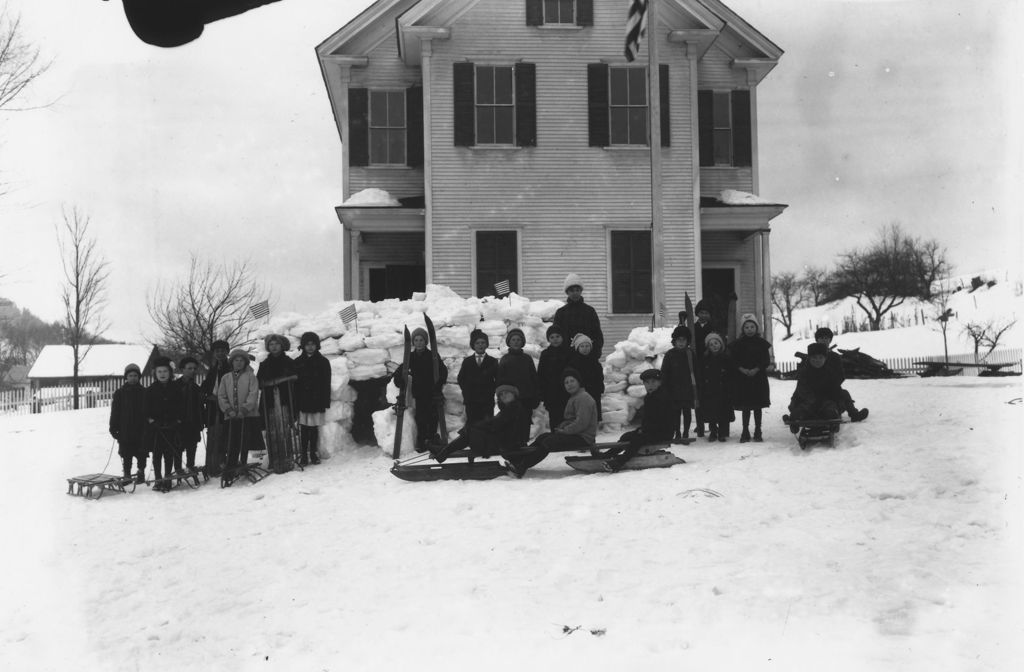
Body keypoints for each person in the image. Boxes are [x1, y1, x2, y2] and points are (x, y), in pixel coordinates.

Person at [510, 368, 597, 478]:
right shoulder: (575, 397)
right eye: (566, 382)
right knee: (543, 437)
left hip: (583, 437)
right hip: (576, 434)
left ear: (579, 382)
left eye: (572, 381)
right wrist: (562, 427)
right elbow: (571, 420)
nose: (569, 384)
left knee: (549, 442)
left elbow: (581, 423)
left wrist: (564, 431)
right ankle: (520, 460)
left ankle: (521, 466)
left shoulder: (584, 398)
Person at [603, 369, 677, 472]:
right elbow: (648, 418)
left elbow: (662, 419)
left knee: (637, 440)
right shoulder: (650, 397)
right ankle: (609, 454)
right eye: (647, 382)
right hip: (652, 430)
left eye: (653, 382)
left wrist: (645, 430)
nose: (650, 385)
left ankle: (619, 462)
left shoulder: (663, 397)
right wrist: (643, 429)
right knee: (627, 436)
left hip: (663, 432)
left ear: (660, 382)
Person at [432, 384, 525, 463]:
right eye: (501, 394)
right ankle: (443, 451)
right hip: (502, 441)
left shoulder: (514, 409)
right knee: (470, 431)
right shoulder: (509, 409)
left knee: (470, 431)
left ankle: (443, 450)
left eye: (507, 393)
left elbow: (496, 425)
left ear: (514, 395)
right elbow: (496, 424)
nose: (504, 396)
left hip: (506, 444)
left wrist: (476, 426)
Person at [393, 327, 447, 452]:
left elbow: (443, 370)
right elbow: (401, 370)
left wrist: (439, 384)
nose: (418, 343)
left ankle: (433, 440)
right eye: (416, 340)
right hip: (419, 393)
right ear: (413, 342)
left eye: (421, 340)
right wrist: (399, 380)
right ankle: (422, 441)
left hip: (432, 392)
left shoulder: (432, 355)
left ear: (426, 341)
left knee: (433, 417)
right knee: (421, 417)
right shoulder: (410, 356)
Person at [803, 327, 869, 422]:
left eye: (826, 338)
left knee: (844, 394)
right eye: (821, 338)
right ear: (817, 340)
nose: (824, 340)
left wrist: (832, 385)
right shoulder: (811, 356)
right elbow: (805, 375)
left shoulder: (835, 357)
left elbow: (841, 375)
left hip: (831, 387)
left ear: (830, 340)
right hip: (813, 388)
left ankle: (854, 414)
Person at [728, 314, 774, 442]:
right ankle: (745, 431)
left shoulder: (762, 344)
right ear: (743, 329)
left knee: (757, 406)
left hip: (758, 379)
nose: (749, 329)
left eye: (752, 326)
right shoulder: (737, 344)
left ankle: (758, 430)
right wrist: (742, 369)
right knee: (746, 407)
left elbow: (765, 360)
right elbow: (733, 361)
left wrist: (756, 369)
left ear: (756, 328)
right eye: (746, 327)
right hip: (743, 380)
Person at [218, 349, 261, 481]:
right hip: (231, 416)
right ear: (232, 362)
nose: (239, 363)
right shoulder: (226, 378)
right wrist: (228, 410)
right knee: (232, 441)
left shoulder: (250, 377)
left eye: (241, 360)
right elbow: (221, 395)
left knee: (245, 440)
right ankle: (230, 468)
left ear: (245, 362)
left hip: (247, 415)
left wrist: (244, 409)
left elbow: (253, 394)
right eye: (236, 360)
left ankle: (243, 464)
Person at [258, 334, 298, 471]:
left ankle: (287, 458)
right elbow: (260, 382)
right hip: (269, 401)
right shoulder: (264, 364)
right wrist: (278, 381)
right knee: (271, 431)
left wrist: (277, 381)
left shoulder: (288, 362)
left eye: (276, 344)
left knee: (285, 429)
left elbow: (295, 376)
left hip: (285, 400)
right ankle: (274, 459)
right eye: (271, 344)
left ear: (282, 346)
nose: (274, 347)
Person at [784, 342, 843, 432]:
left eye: (820, 358)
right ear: (809, 358)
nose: (817, 360)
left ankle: (833, 424)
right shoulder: (804, 373)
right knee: (797, 413)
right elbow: (802, 391)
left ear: (825, 358)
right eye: (814, 358)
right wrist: (813, 402)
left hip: (826, 402)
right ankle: (794, 424)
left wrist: (828, 402)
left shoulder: (830, 373)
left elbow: (835, 391)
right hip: (808, 402)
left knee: (831, 411)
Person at [293, 331, 332, 465]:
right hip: (303, 400)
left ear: (317, 346)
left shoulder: (323, 362)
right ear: (303, 346)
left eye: (313, 344)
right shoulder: (297, 362)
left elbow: (326, 383)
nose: (310, 347)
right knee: (304, 429)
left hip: (317, 400)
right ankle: (303, 454)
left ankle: (313, 453)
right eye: (307, 344)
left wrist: (325, 401)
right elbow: (294, 385)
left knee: (314, 428)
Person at [145, 356, 183, 491]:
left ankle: (167, 479)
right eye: (159, 371)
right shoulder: (150, 390)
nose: (162, 374)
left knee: (169, 454)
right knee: (157, 454)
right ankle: (158, 479)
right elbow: (146, 410)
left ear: (170, 373)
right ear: (155, 373)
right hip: (156, 428)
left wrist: (177, 421)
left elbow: (181, 407)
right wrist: (152, 421)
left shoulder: (176, 389)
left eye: (165, 371)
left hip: (172, 427)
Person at [496, 327, 539, 445]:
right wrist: (501, 399)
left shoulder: (527, 358)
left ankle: (523, 454)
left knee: (524, 426)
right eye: (513, 339)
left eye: (518, 340)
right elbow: (500, 382)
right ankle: (513, 455)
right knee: (512, 428)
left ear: (522, 342)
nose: (516, 342)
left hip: (526, 399)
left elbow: (534, 379)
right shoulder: (505, 359)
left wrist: (536, 396)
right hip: (510, 401)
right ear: (509, 342)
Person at [109, 363, 148, 483]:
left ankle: (141, 472)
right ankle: (127, 474)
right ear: (126, 377)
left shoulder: (144, 392)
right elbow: (115, 412)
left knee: (142, 452)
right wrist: (113, 427)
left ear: (139, 377)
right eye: (130, 375)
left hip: (141, 429)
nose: (133, 378)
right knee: (126, 453)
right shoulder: (120, 393)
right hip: (125, 429)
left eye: (135, 375)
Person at [200, 339, 232, 476]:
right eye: (217, 351)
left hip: (227, 406)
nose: (220, 353)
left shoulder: (230, 367)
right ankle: (213, 464)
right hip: (213, 407)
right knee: (214, 433)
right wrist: (204, 394)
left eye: (222, 351)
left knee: (227, 433)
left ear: (227, 352)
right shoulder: (212, 369)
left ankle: (226, 462)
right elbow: (207, 385)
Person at [553, 273, 604, 357]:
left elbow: (597, 335)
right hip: (567, 357)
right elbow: (557, 335)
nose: (575, 293)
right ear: (567, 292)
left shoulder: (589, 311)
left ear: (581, 291)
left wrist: (595, 352)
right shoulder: (561, 312)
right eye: (572, 290)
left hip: (587, 355)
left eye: (577, 290)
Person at [659, 325, 696, 441]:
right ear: (674, 341)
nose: (681, 343)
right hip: (673, 388)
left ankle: (685, 433)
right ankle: (677, 432)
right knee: (675, 412)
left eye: (683, 340)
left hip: (687, 388)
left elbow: (695, 371)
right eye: (678, 340)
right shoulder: (670, 354)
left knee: (687, 412)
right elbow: (664, 372)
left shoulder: (690, 354)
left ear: (687, 341)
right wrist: (664, 386)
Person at [457, 329, 498, 428]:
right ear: (473, 345)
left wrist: (491, 390)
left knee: (487, 425)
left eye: (483, 342)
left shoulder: (492, 361)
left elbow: (498, 379)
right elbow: (461, 378)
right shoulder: (467, 361)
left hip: (487, 401)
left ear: (487, 344)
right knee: (473, 425)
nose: (480, 345)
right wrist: (467, 392)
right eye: (477, 343)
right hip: (471, 401)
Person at [698, 332, 733, 442]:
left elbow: (730, 373)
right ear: (708, 347)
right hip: (710, 389)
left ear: (721, 344)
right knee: (711, 411)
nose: (714, 346)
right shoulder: (705, 358)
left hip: (723, 389)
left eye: (716, 343)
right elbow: (702, 372)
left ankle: (722, 432)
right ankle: (713, 431)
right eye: (711, 344)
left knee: (723, 411)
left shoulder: (726, 357)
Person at [537, 324, 571, 429]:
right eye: (552, 337)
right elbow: (541, 374)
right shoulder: (545, 354)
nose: (555, 339)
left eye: (557, 336)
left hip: (568, 392)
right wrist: (542, 393)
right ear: (548, 339)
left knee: (568, 420)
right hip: (552, 393)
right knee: (555, 421)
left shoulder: (569, 352)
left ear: (562, 337)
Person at [176, 356, 206, 471]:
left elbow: (200, 407)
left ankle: (190, 467)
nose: (192, 371)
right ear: (182, 369)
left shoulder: (196, 388)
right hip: (179, 423)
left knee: (192, 447)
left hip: (193, 423)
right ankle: (178, 470)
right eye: (189, 368)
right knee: (178, 448)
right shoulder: (175, 386)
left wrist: (201, 421)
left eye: (194, 368)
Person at [691, 299, 715, 437]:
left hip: (710, 364)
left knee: (710, 396)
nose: (703, 315)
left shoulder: (713, 327)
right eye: (701, 312)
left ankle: (712, 424)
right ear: (697, 313)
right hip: (697, 365)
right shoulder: (693, 328)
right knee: (698, 396)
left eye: (706, 313)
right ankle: (700, 425)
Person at [567, 333, 604, 421]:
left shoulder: (595, 362)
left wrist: (600, 387)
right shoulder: (573, 363)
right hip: (580, 393)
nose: (585, 349)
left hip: (594, 393)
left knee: (593, 416)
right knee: (581, 417)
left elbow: (600, 377)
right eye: (582, 346)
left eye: (587, 346)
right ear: (577, 348)